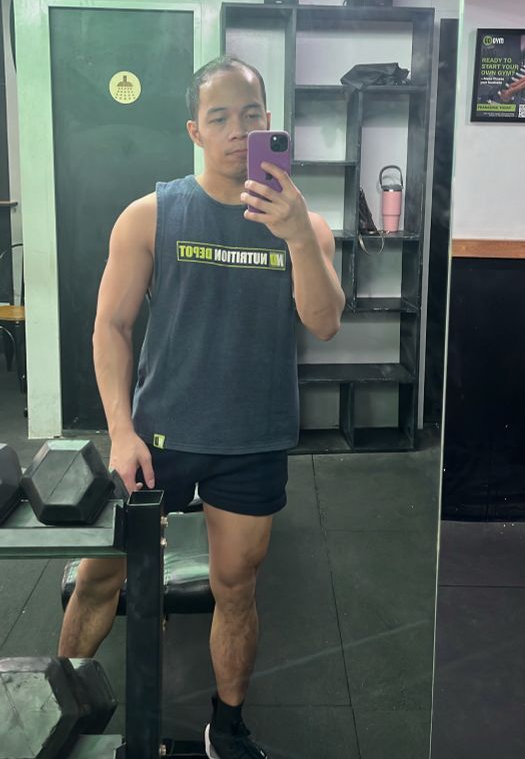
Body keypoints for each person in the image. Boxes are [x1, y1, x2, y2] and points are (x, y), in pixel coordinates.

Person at [58, 55, 345, 759]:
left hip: (252, 440)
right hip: (159, 435)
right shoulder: (151, 215)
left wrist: (296, 236)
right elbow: (111, 326)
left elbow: (324, 322)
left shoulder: (307, 226)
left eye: (250, 115)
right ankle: (57, 706)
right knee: (100, 577)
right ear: (194, 130)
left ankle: (228, 727)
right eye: (218, 117)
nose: (236, 130)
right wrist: (121, 431)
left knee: (236, 588)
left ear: (268, 123)